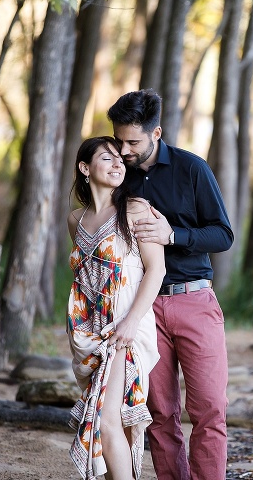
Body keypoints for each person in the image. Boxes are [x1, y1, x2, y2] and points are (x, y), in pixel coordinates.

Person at [107, 89, 234, 480]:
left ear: (156, 133)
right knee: (160, 413)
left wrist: (172, 234)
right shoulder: (119, 176)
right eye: (119, 141)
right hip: (144, 309)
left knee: (209, 408)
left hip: (194, 299)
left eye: (133, 142)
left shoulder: (192, 169)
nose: (124, 150)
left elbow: (223, 235)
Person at [65, 136, 165, 480]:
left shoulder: (135, 209)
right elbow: (87, 278)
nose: (118, 163)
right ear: (85, 168)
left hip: (125, 328)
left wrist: (130, 323)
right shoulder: (75, 220)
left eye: (119, 159)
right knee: (114, 425)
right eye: (106, 159)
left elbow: (157, 269)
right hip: (90, 333)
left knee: (106, 421)